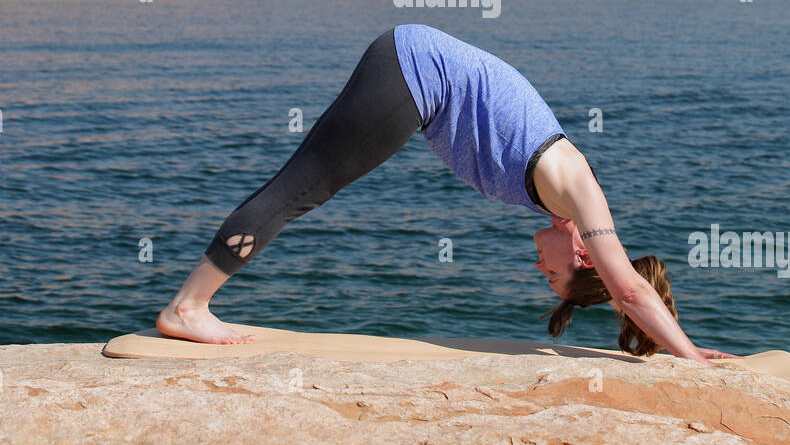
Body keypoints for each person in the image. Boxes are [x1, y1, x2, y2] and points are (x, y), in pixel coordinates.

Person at [157, 24, 735, 361]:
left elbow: (626, 294)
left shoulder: (562, 208)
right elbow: (629, 290)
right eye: (555, 275)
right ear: (584, 255)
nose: (541, 271)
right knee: (299, 191)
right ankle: (186, 308)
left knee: (303, 189)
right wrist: (690, 354)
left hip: (413, 71)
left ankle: (190, 305)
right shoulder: (583, 196)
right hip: (414, 72)